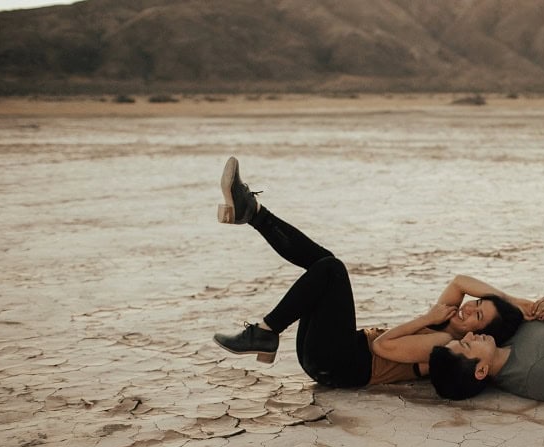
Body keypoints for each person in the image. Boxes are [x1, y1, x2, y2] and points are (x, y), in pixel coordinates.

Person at [212, 156, 526, 388]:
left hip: (339, 366)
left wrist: (427, 319)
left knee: (332, 270)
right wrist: (515, 302)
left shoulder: (444, 346)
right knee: (324, 263)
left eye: (478, 316)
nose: (468, 308)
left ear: (478, 333)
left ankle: (265, 333)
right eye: (476, 303)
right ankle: (253, 214)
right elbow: (460, 282)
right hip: (335, 355)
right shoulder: (448, 320)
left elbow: (381, 347)